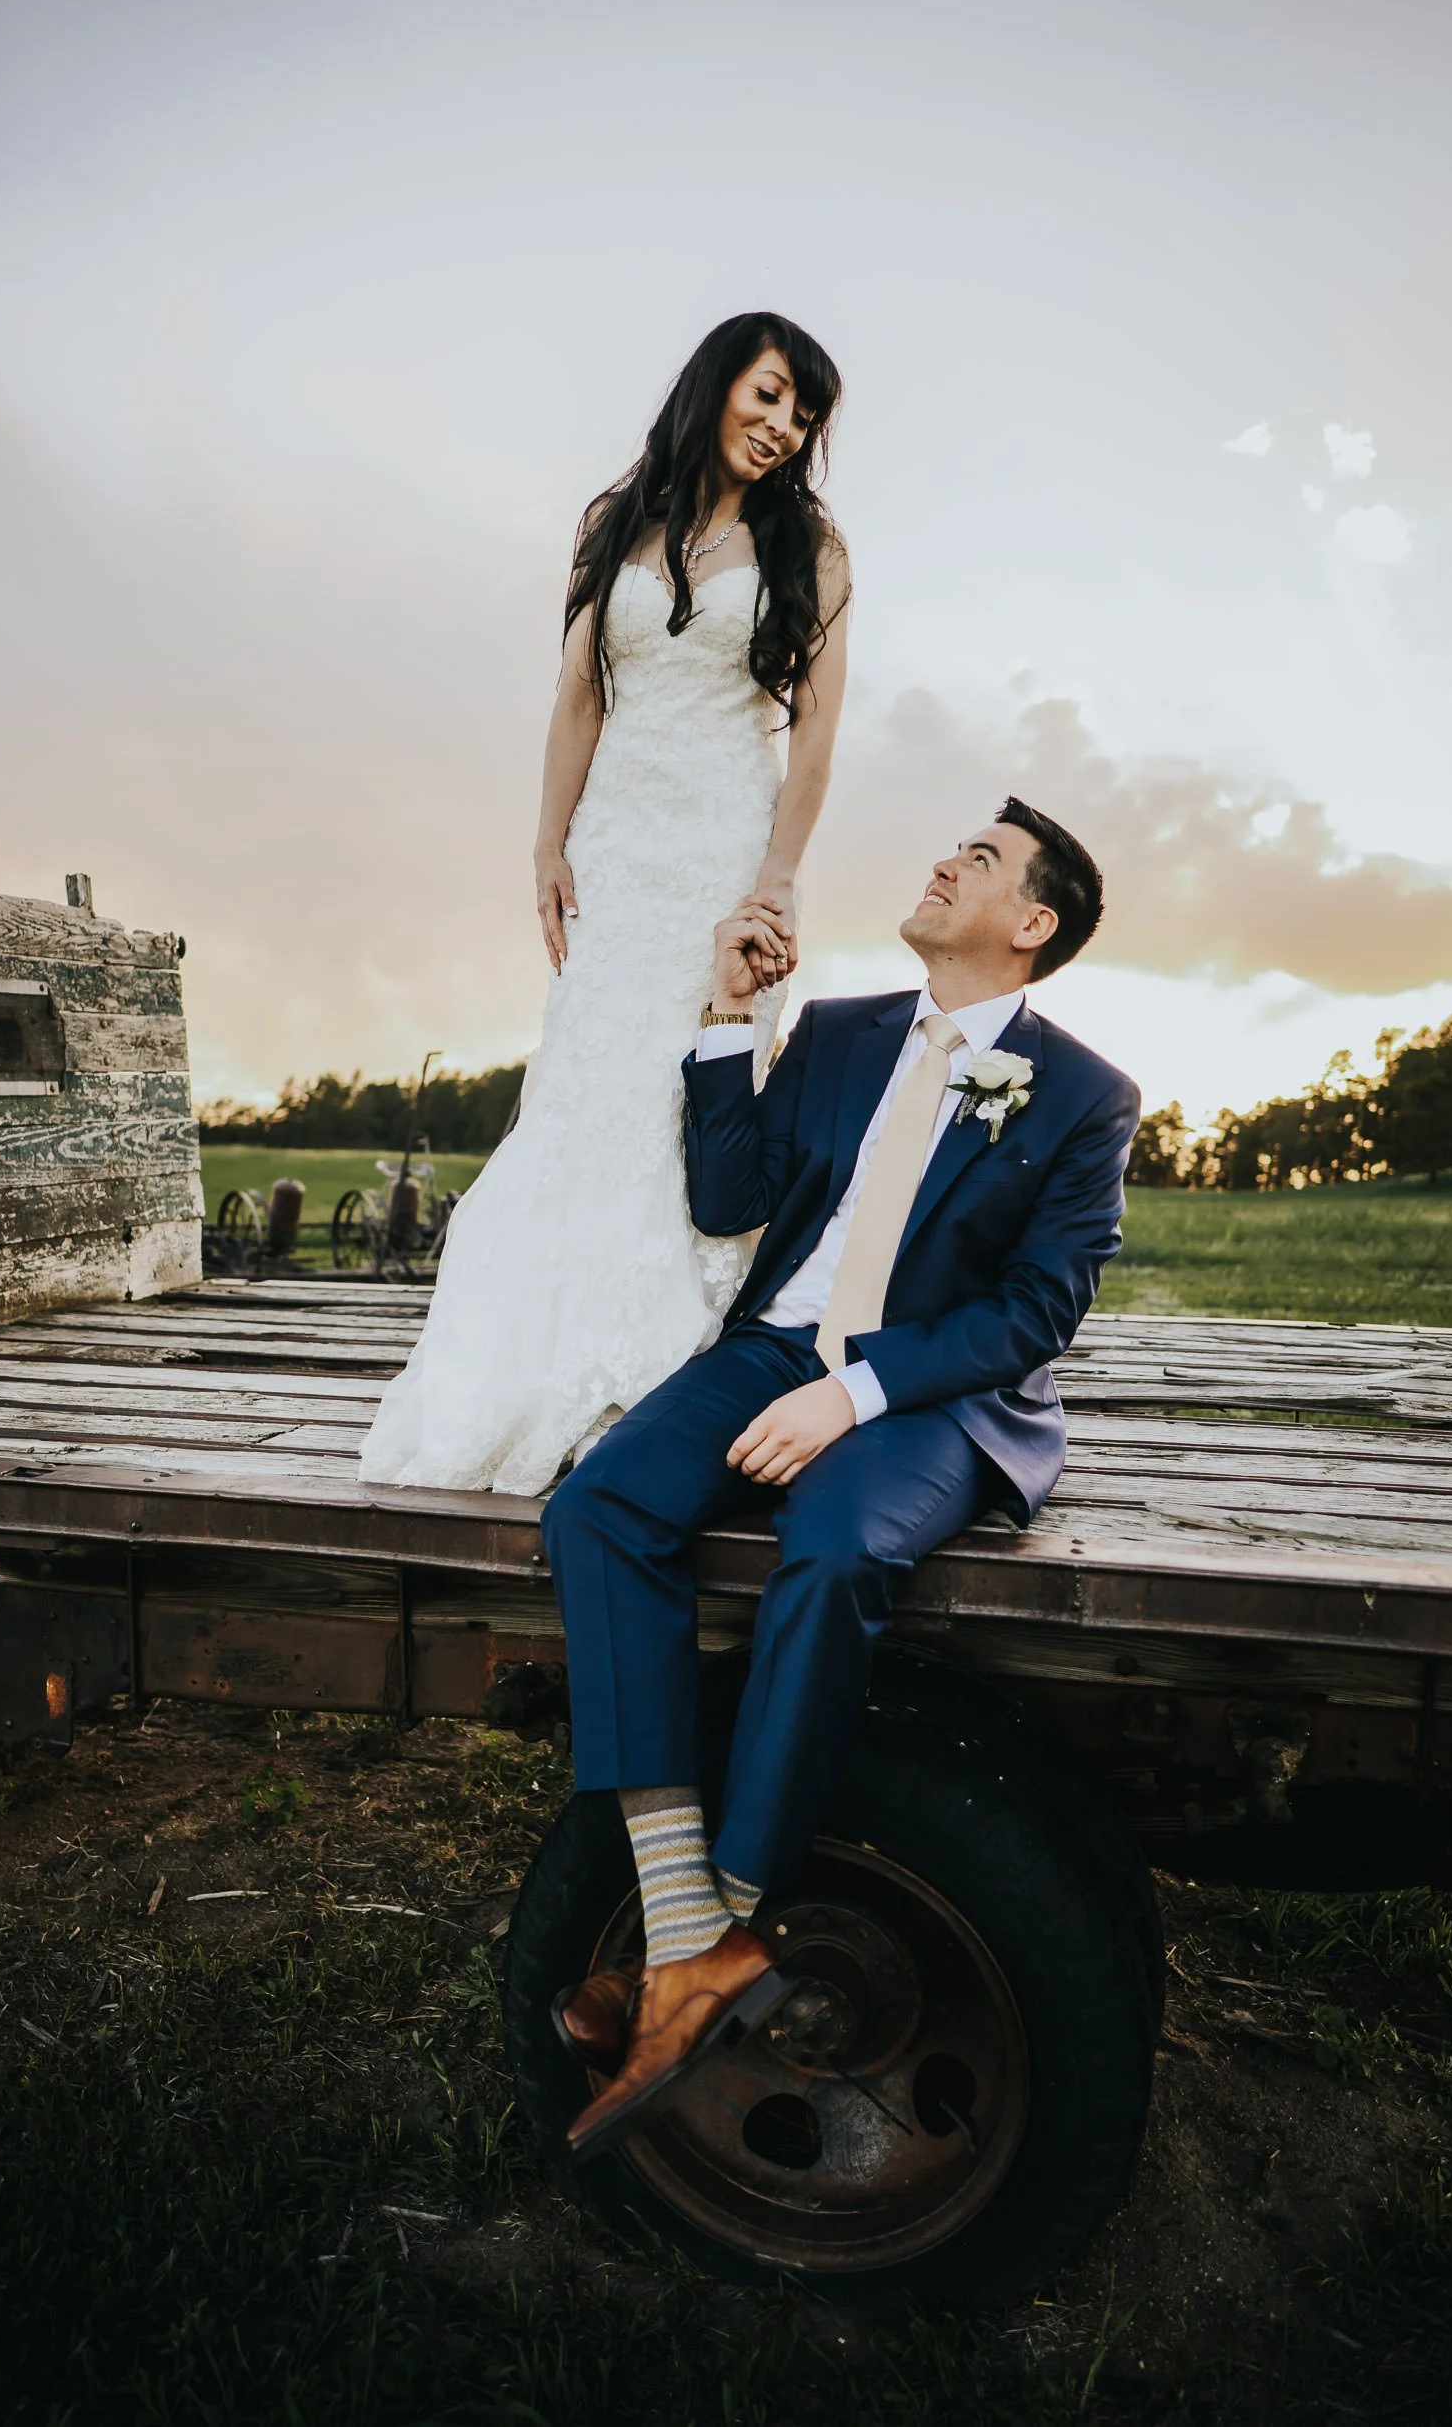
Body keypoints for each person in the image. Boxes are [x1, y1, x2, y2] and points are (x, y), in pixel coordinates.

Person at [541, 797, 1141, 2161]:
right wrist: (723, 1015)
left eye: (977, 861)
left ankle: (726, 1910)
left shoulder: (1085, 1095)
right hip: (767, 1350)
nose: (942, 861)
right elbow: (723, 1195)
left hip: (932, 1391)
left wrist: (854, 1393)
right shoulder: (837, 1031)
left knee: (829, 1550)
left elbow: (1034, 1315)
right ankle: (687, 1921)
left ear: (1029, 924)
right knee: (597, 1510)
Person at [359, 312, 851, 1496]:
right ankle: (536, 1366)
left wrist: (776, 875)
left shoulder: (814, 548)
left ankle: (664, 1382)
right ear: (718, 382)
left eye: (803, 415)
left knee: (685, 1090)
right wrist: (546, 841)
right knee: (586, 1086)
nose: (783, 428)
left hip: (723, 851)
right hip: (617, 850)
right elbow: (578, 695)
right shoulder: (613, 519)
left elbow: (818, 728)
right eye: (771, 394)